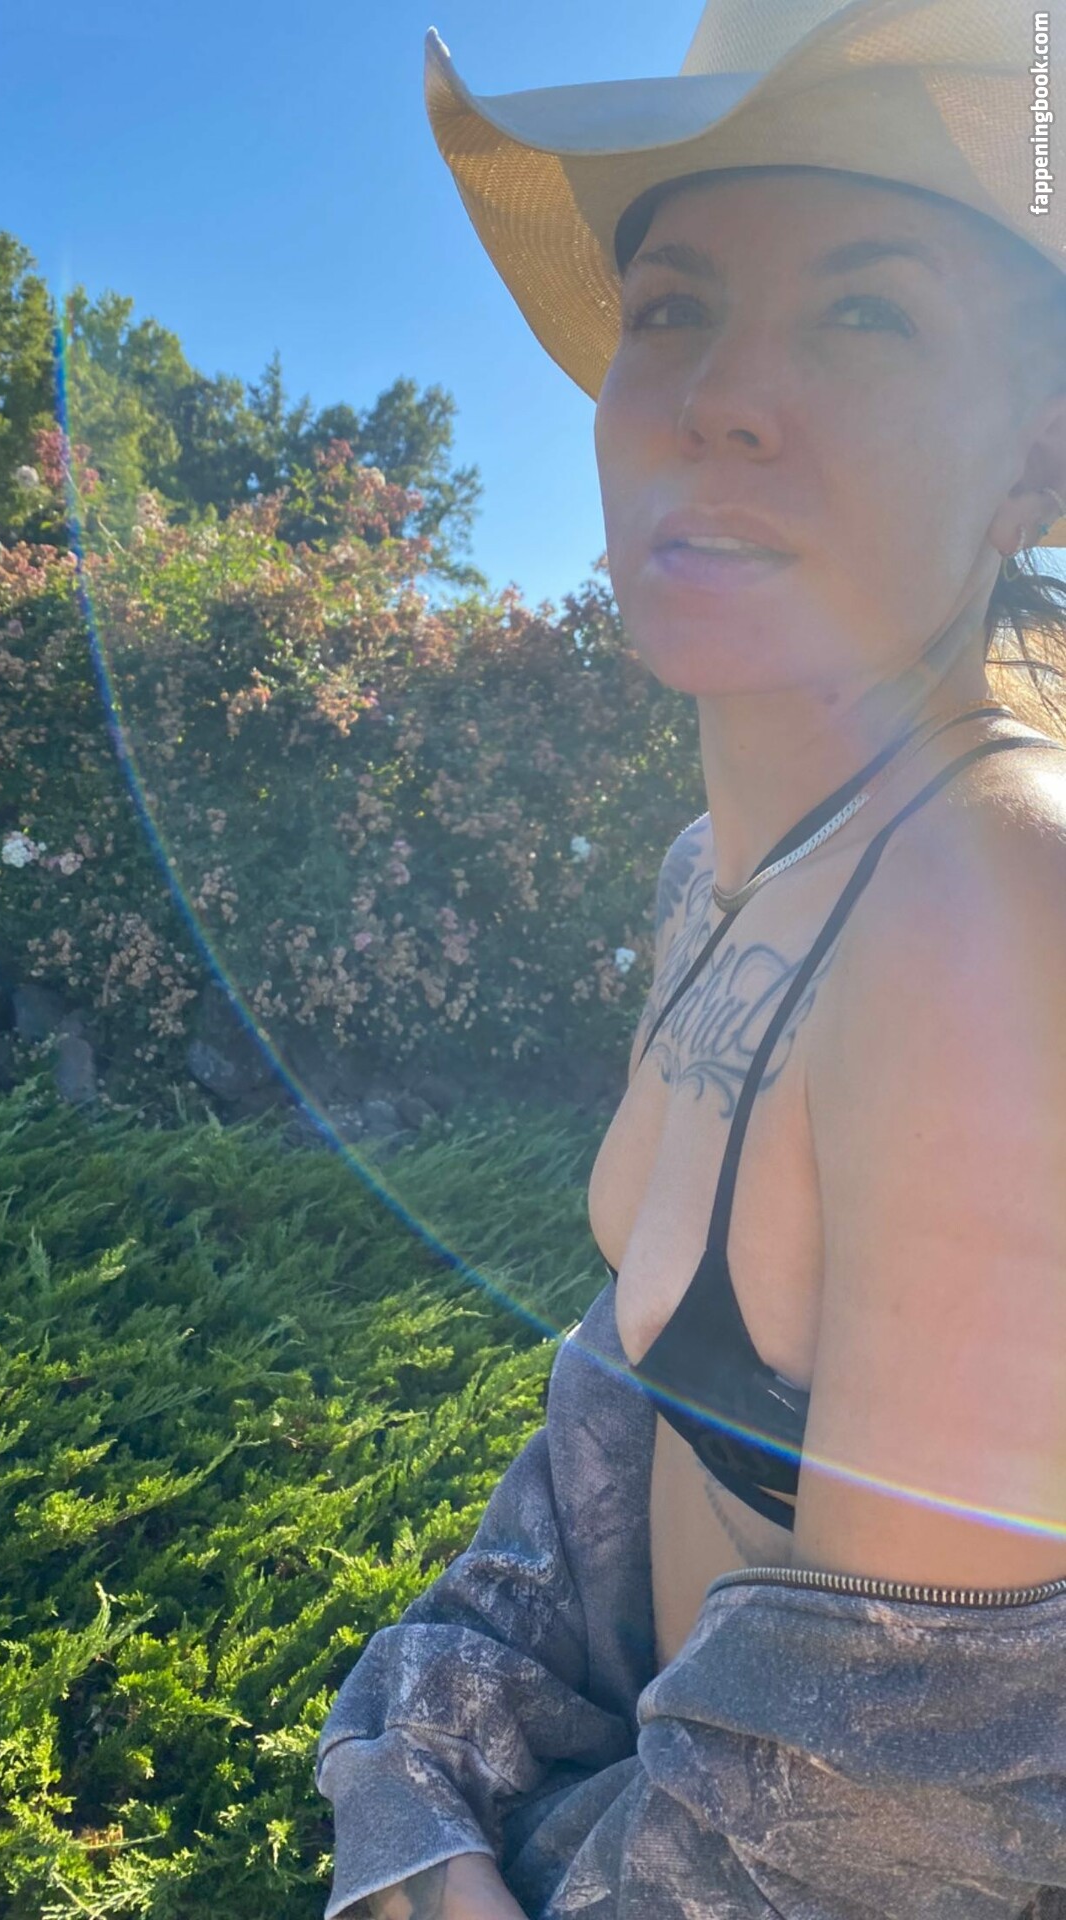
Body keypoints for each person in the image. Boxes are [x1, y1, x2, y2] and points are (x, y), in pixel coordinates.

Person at [316, 2, 1066, 1914]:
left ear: (1035, 454)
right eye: (672, 307)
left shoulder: (996, 902)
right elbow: (624, 1420)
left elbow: (894, 1828)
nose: (721, 396)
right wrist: (423, 1785)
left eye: (867, 312)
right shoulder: (710, 873)